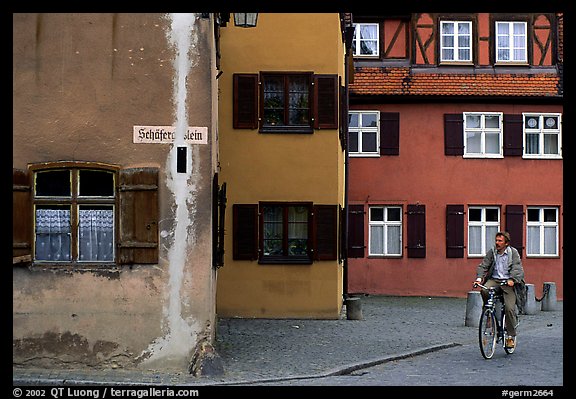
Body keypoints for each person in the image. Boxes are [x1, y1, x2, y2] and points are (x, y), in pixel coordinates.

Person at [473, 231, 525, 348]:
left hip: (508, 283)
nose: (497, 243)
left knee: (509, 308)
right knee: (484, 290)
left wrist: (512, 279)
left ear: (506, 243)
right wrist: (479, 278)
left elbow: (517, 268)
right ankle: (488, 313)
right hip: (495, 280)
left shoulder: (513, 253)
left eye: (500, 241)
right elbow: (484, 265)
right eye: (496, 240)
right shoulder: (492, 252)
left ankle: (511, 336)